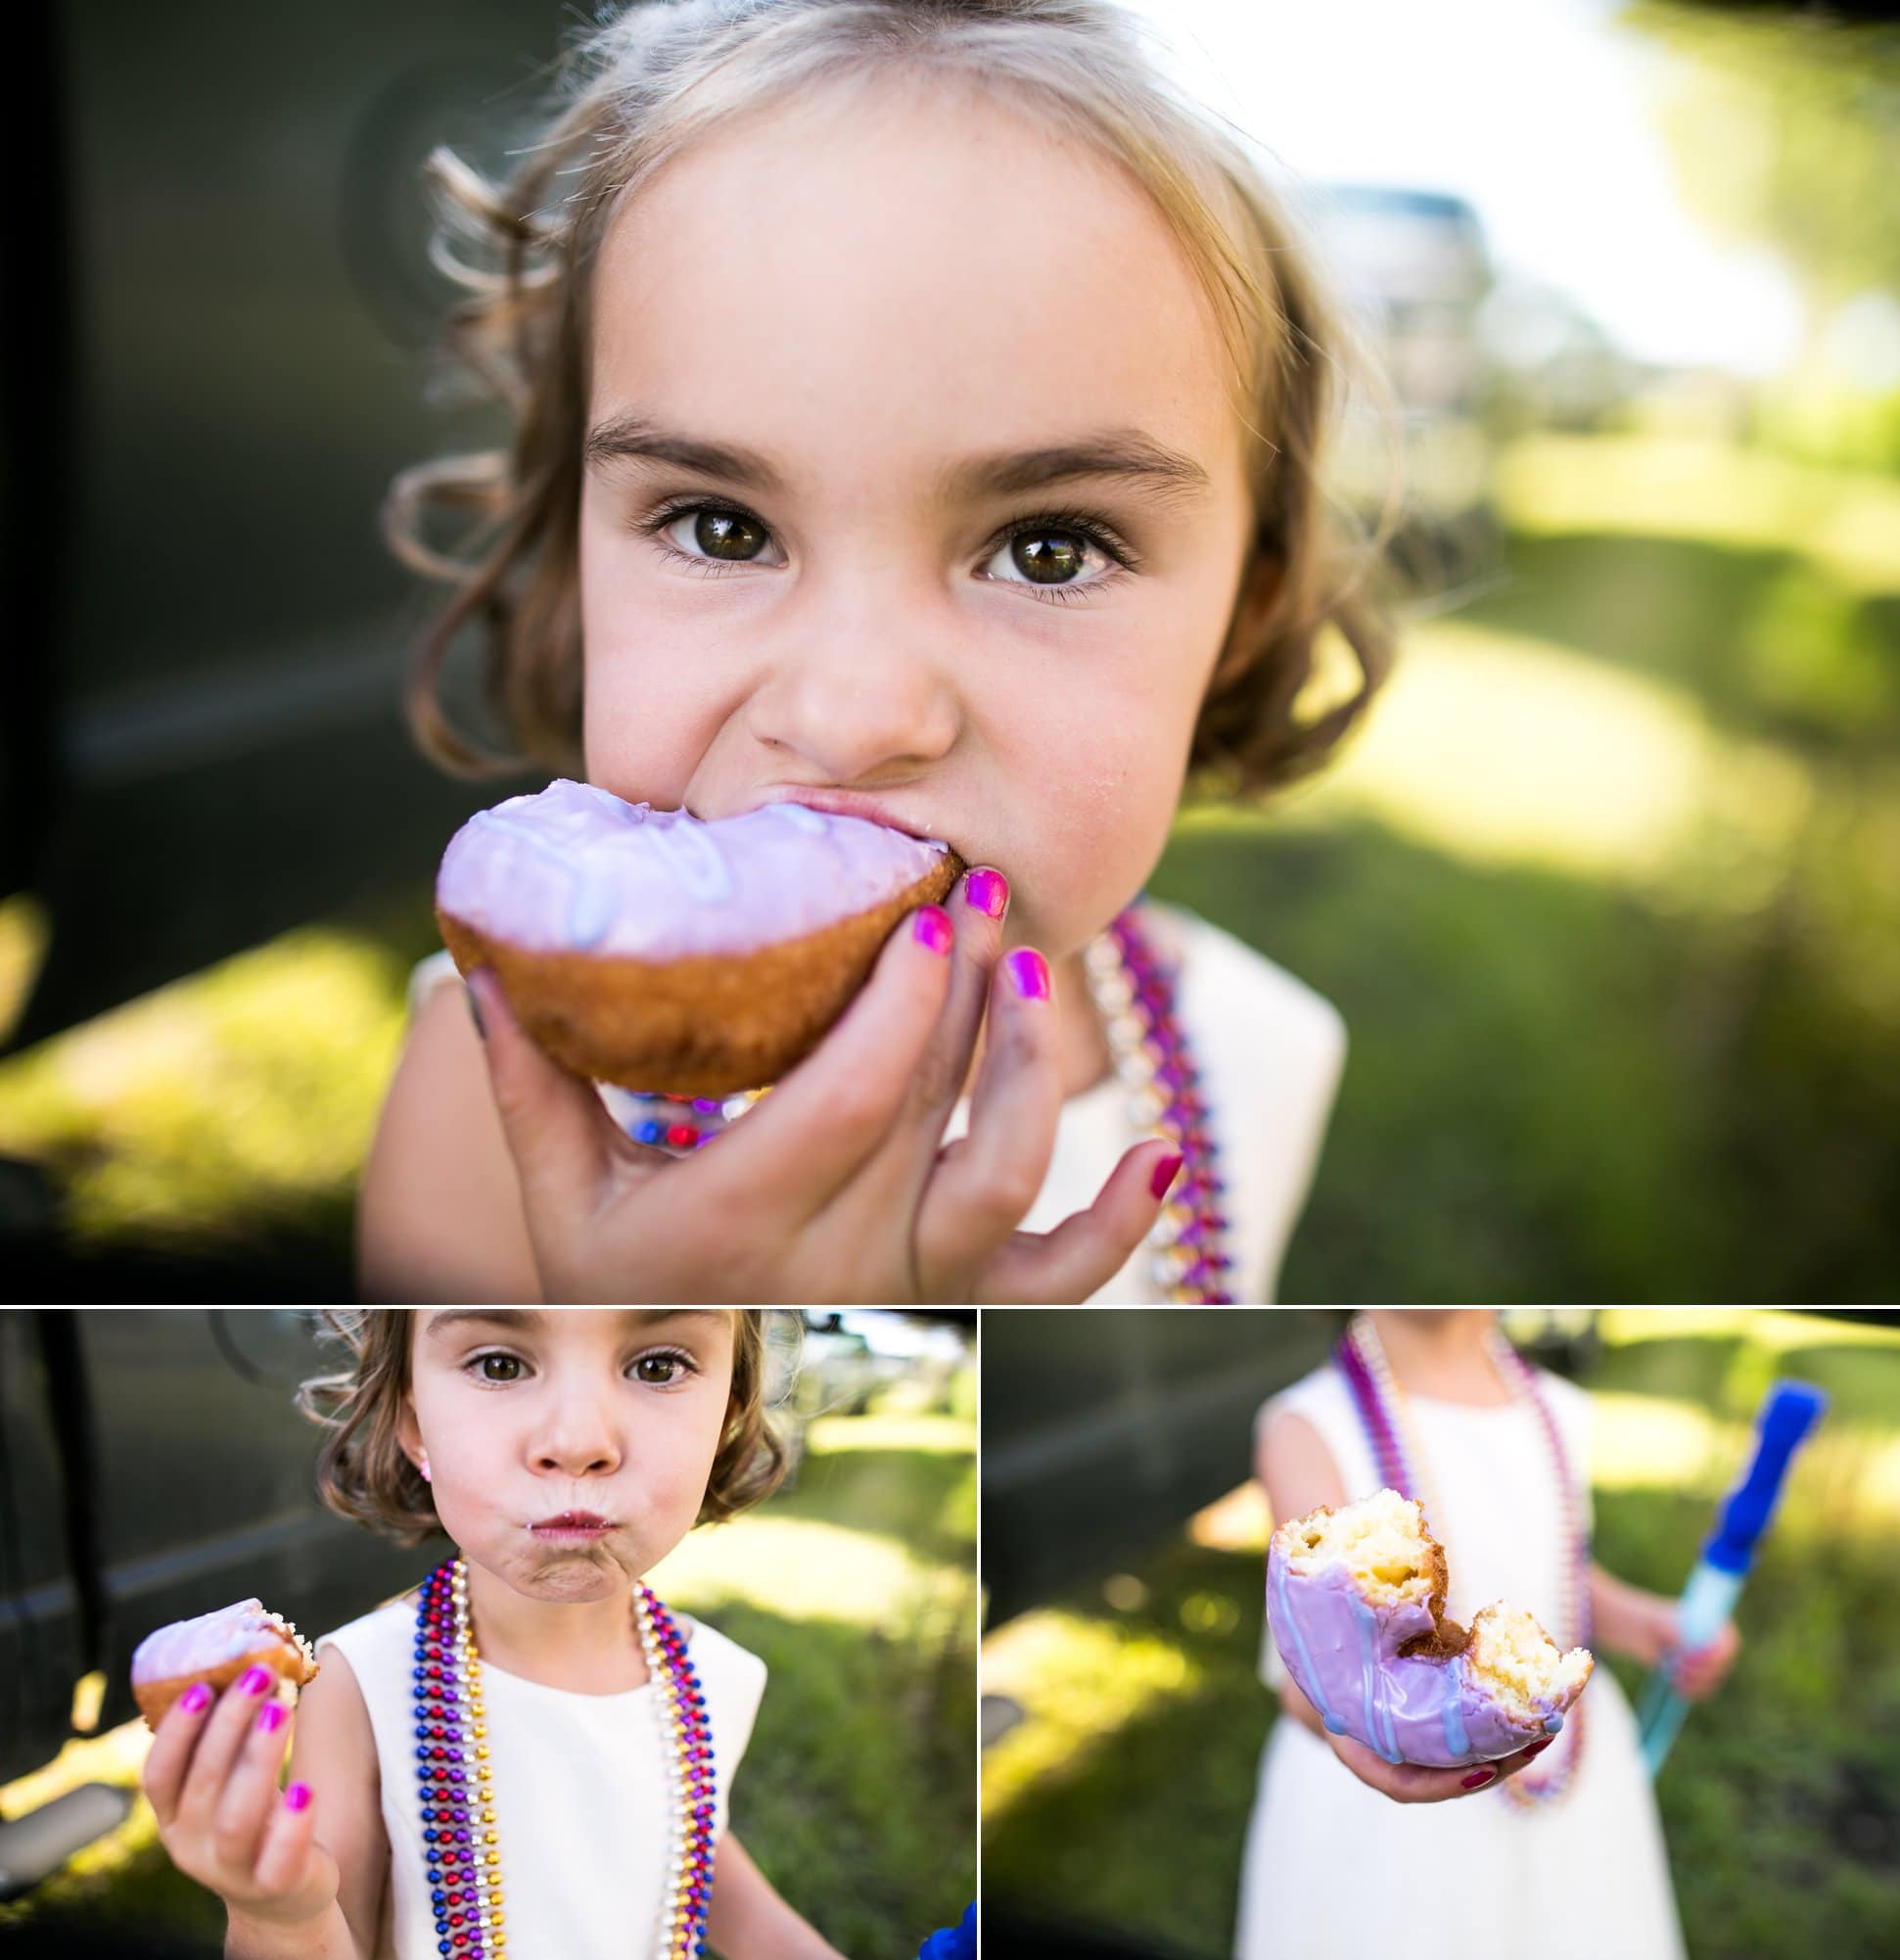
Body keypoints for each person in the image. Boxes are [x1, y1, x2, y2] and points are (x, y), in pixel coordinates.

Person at [355, 0, 1405, 1305]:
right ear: (575, 547)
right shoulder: (492, 1084)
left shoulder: (1258, 1052)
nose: (855, 714)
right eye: (721, 526)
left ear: (1241, 618)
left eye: (1049, 550)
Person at [141, 1308, 851, 1960]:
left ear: (726, 1417)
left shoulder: (718, 1678)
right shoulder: (363, 1680)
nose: (577, 1442)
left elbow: (688, 1851)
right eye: (500, 1364)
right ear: (414, 1426)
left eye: (658, 1365)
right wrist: (279, 1914)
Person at [1237, 1310, 1740, 1960]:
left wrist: (1645, 1623)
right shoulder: (1308, 1425)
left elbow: (1560, 1565)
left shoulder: (1557, 1408)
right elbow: (1311, 1661)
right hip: (1389, 1831)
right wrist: (1349, 1733)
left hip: (1559, 1771)